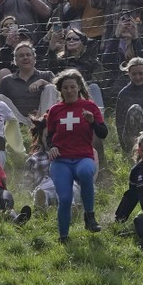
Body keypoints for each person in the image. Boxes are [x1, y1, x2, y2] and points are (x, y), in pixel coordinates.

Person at [45, 69, 107, 242]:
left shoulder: (90, 107)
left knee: (86, 172)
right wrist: (52, 147)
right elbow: (49, 136)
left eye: (73, 87)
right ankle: (63, 236)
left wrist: (93, 122)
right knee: (65, 198)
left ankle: (90, 216)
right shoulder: (55, 110)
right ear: (61, 90)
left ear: (79, 87)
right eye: (66, 87)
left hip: (83, 156)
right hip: (61, 160)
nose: (69, 90)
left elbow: (103, 133)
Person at [0, 42, 58, 118]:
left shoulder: (47, 75)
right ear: (15, 60)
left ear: (34, 58)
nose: (25, 57)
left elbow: (59, 95)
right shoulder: (7, 80)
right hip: (18, 120)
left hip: (41, 118)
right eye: (21, 56)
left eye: (28, 55)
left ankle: (45, 124)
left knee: (50, 87)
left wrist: (43, 82)